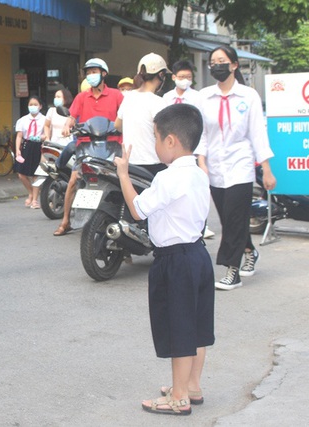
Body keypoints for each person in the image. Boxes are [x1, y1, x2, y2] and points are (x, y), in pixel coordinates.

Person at [114, 103, 214, 416]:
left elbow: (137, 209)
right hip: (198, 255)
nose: (155, 144)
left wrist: (123, 173)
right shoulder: (199, 174)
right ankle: (192, 385)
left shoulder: (168, 178)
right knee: (197, 326)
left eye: (156, 138)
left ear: (170, 141)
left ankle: (179, 397)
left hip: (175, 260)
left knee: (179, 328)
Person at [195, 46, 276, 290]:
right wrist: (201, 161)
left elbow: (257, 134)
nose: (217, 65)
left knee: (233, 218)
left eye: (222, 61)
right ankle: (250, 250)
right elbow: (202, 134)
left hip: (240, 165)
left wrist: (267, 168)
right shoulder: (204, 97)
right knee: (231, 219)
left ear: (233, 65)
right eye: (213, 62)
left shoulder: (248, 96)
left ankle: (232, 270)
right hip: (215, 168)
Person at [53, 58, 123, 236]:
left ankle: (122, 222)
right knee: (73, 180)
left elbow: (125, 117)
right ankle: (66, 220)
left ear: (104, 73)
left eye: (94, 72)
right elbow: (72, 116)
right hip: (85, 146)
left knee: (121, 182)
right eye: (89, 73)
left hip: (112, 145)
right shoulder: (82, 97)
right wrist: (67, 126)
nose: (91, 76)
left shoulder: (116, 95)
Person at [162, 60, 215, 239]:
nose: (185, 80)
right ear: (174, 77)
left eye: (188, 77)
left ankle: (200, 224)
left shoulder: (197, 98)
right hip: (170, 150)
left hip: (190, 149)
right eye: (182, 77)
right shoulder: (166, 98)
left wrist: (201, 157)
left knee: (193, 189)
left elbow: (203, 128)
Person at [115, 53, 169, 176]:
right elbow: (165, 135)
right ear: (160, 75)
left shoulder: (128, 97)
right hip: (153, 164)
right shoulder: (158, 102)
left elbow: (117, 125)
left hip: (130, 164)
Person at [14, 96, 46, 209]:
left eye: (35, 104)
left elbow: (47, 135)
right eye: (30, 104)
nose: (33, 107)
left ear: (40, 106)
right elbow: (19, 136)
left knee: (36, 175)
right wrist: (17, 149)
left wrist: (39, 138)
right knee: (21, 173)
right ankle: (31, 192)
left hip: (38, 146)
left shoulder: (45, 120)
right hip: (26, 146)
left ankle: (35, 200)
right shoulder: (22, 120)